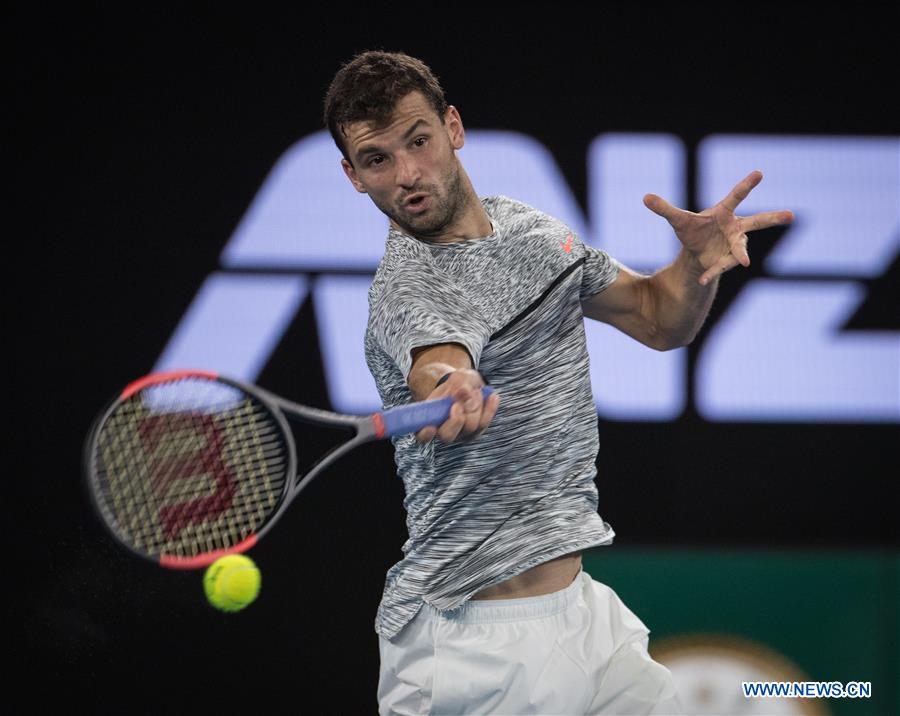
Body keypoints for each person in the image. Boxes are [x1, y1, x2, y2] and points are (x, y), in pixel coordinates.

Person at [323, 50, 793, 715]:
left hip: (582, 618)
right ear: (353, 176)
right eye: (377, 160)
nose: (407, 175)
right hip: (470, 648)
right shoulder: (408, 291)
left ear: (452, 127)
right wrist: (450, 385)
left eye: (418, 141)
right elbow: (438, 360)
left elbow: (660, 318)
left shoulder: (532, 233)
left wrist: (695, 265)